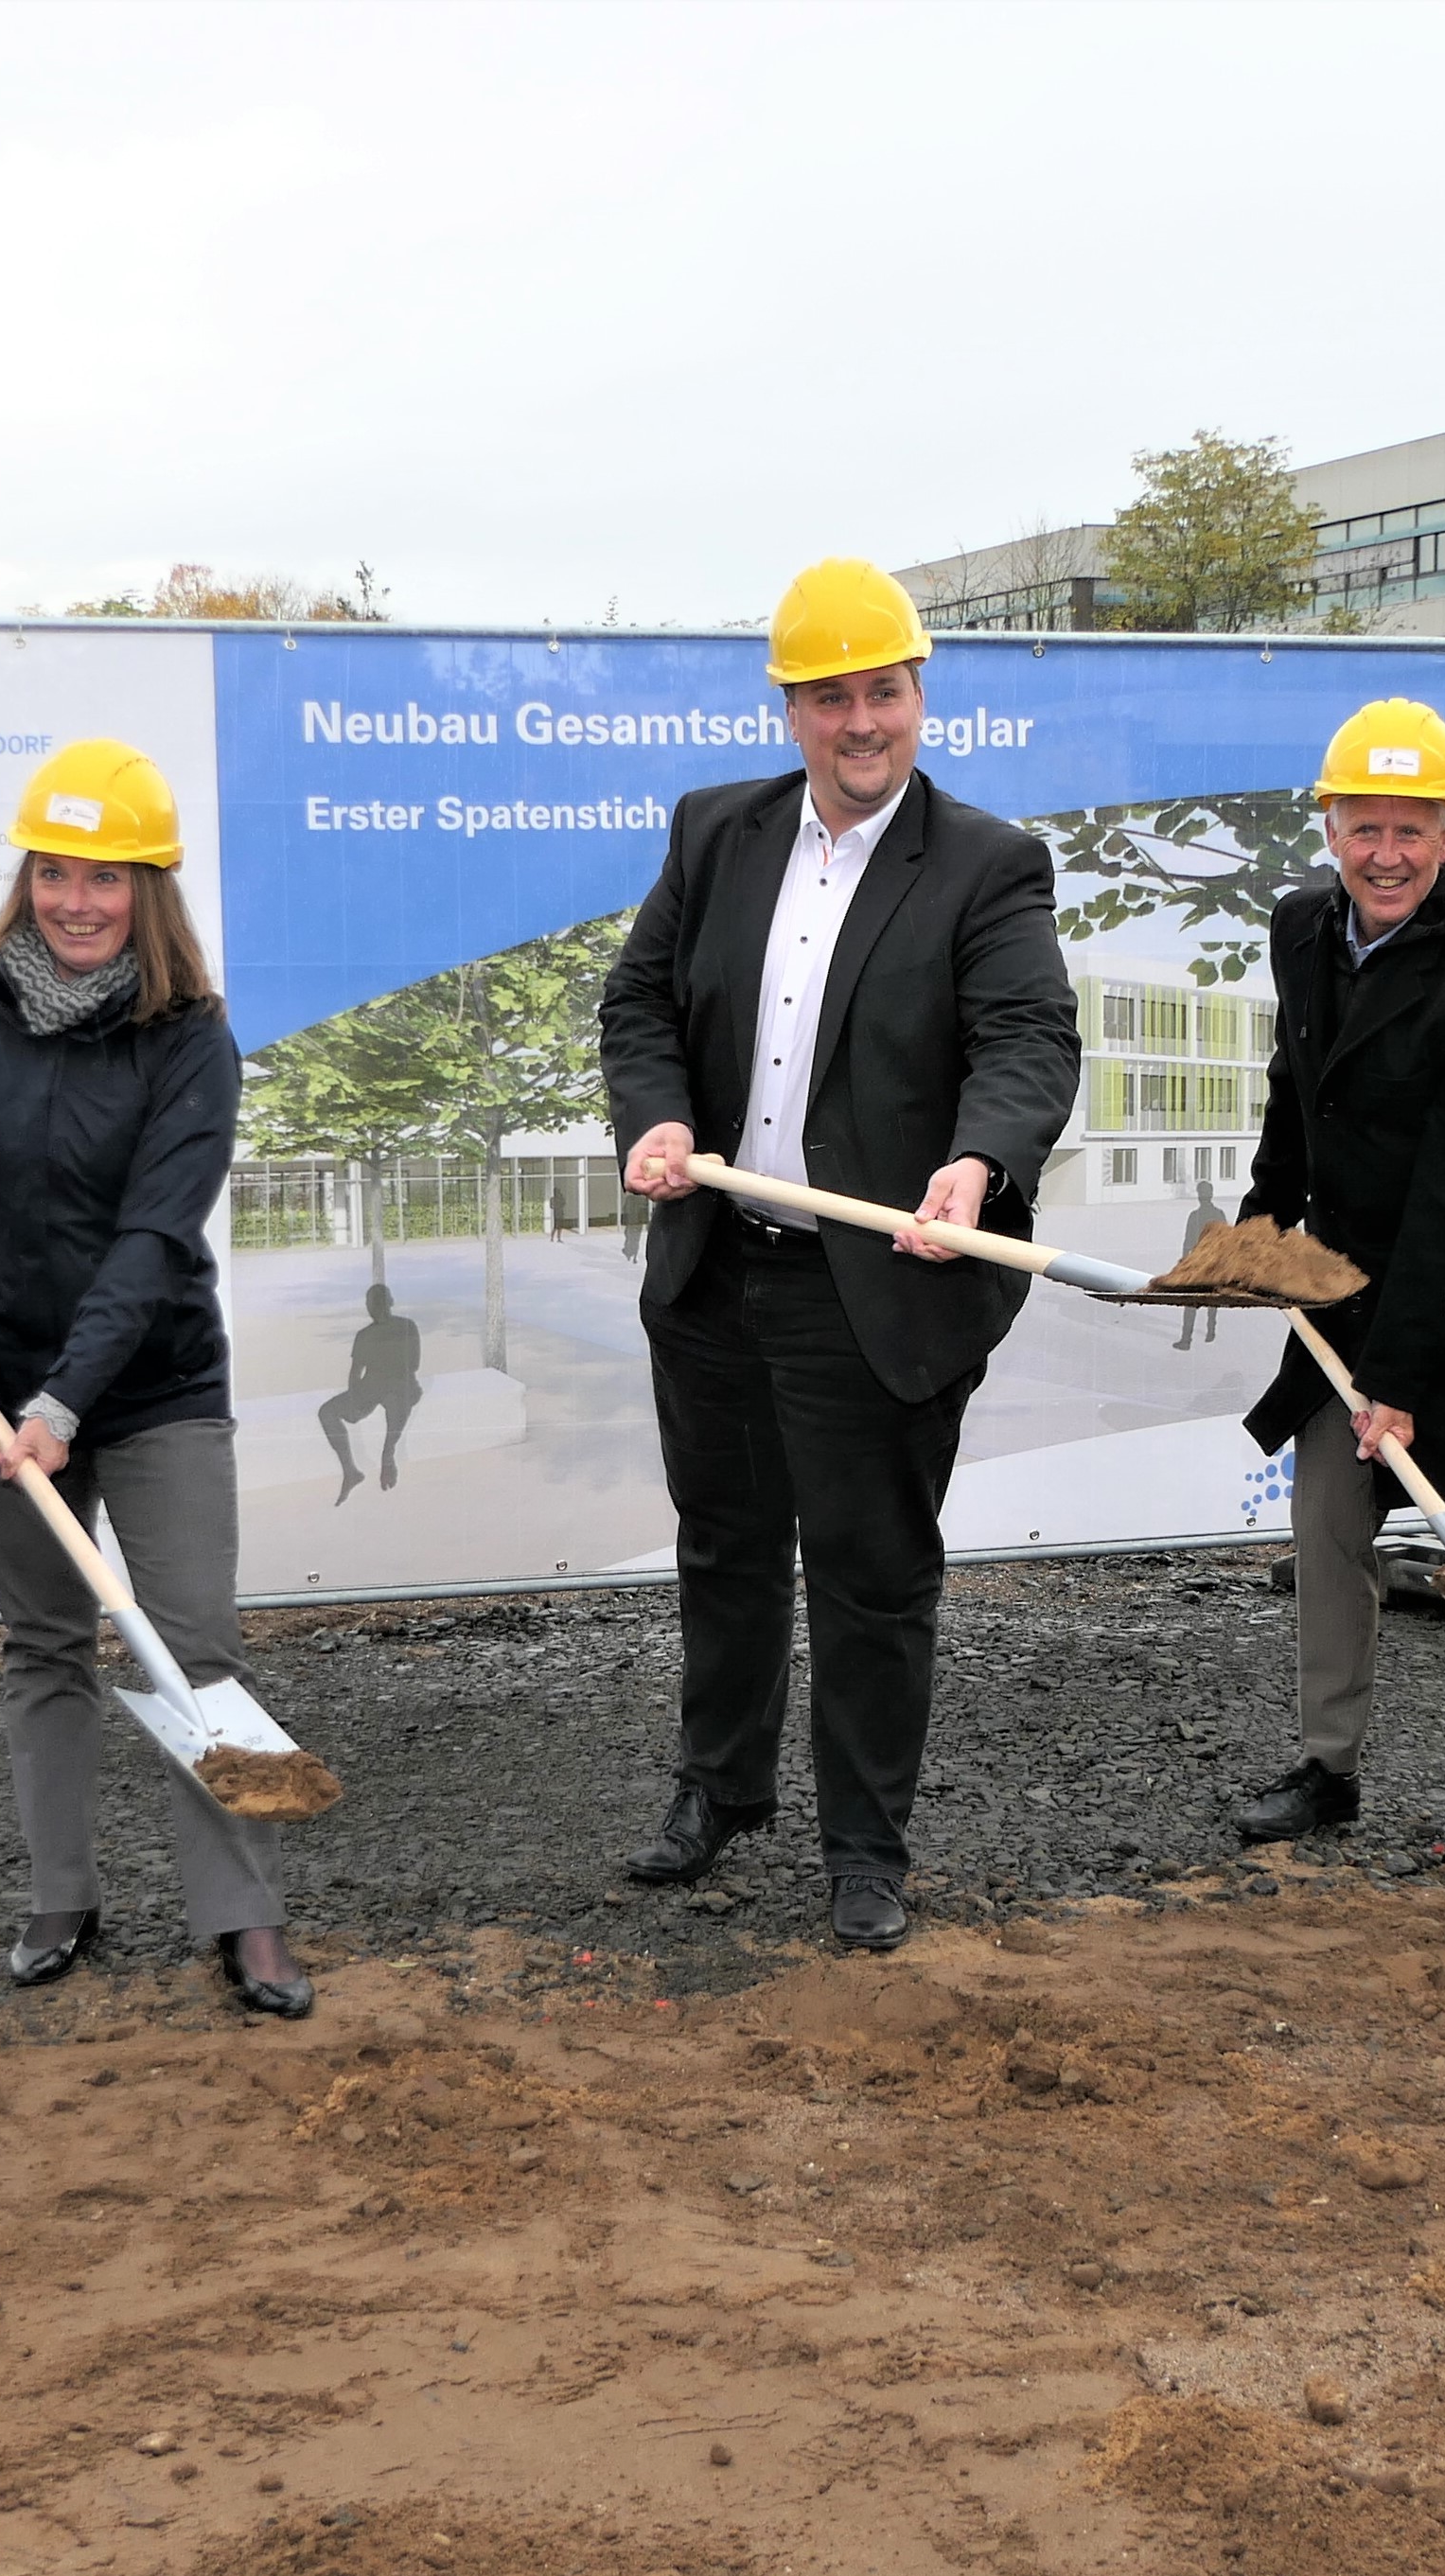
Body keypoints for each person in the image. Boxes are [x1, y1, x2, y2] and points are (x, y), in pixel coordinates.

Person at [600, 557, 1081, 1951]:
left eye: (885, 690)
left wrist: (978, 1162)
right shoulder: (716, 834)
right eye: (831, 698)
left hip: (876, 1283)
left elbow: (1028, 1041)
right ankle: (718, 1788)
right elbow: (637, 1000)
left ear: (921, 694)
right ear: (790, 711)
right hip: (715, 1266)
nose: (861, 721)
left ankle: (865, 1847)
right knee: (726, 1544)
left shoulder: (988, 862)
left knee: (873, 1573)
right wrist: (663, 1113)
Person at [0, 738, 310, 2014]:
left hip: (151, 1383)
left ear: (147, 888)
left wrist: (70, 1404)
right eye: (56, 871)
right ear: (29, 875)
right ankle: (62, 1889)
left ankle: (244, 1914)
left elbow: (158, 1237)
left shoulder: (191, 1040)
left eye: (106, 877)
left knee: (195, 1649)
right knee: (43, 1642)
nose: (77, 899)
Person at [1228, 701, 1445, 1932]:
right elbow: (1296, 1099)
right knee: (1328, 1529)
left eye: (1410, 829)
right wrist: (1263, 1236)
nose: (1385, 852)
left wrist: (1404, 1375)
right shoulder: (1303, 929)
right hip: (1346, 1293)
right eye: (1364, 826)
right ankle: (1330, 1768)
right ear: (1329, 824)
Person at [320, 1281, 425, 1501]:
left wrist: (378, 1380)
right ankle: (350, 1470)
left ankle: (388, 1456)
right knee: (327, 1411)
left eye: (378, 1302)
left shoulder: (406, 1327)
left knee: (397, 1402)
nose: (375, 1307)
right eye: (371, 1303)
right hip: (373, 1387)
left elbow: (413, 1365)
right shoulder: (365, 1335)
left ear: (390, 1303)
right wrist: (354, 1398)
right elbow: (355, 1373)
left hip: (397, 1385)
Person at [1172, 1179, 1225, 1352]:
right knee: (1212, 1297)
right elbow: (1226, 1239)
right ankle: (1210, 1330)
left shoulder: (1194, 1216)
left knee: (1191, 1300)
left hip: (1198, 1262)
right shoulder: (1219, 1214)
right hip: (1214, 1261)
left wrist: (1184, 1261)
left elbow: (1188, 1241)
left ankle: (1186, 1339)